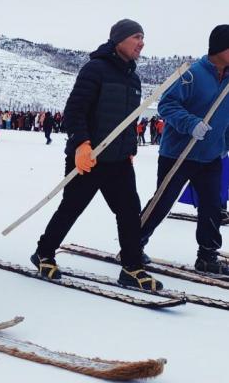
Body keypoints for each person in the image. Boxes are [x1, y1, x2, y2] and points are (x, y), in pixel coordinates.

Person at [31, 19, 163, 290]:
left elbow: (128, 122)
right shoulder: (95, 69)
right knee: (72, 207)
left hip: (118, 160)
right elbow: (74, 111)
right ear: (120, 39)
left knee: (129, 211)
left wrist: (130, 150)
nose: (142, 43)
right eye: (137, 37)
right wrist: (81, 144)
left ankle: (132, 267)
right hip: (89, 156)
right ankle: (44, 253)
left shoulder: (133, 77)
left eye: (143, 37)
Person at [139, 25, 229, 275]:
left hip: (211, 156)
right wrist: (190, 124)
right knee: (163, 201)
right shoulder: (191, 75)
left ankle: (207, 256)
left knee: (212, 205)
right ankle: (133, 243)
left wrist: (225, 145)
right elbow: (166, 105)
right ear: (219, 48)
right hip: (178, 153)